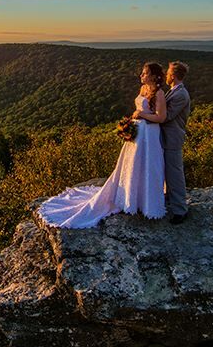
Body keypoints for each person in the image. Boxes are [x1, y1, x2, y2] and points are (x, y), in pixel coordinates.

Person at [37, 63, 167, 228]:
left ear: (154, 76)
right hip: (139, 133)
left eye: (144, 73)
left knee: (147, 166)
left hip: (149, 134)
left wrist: (141, 114)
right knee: (133, 166)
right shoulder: (143, 90)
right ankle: (131, 199)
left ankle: (145, 202)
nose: (141, 75)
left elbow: (161, 118)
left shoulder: (160, 93)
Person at [143, 60, 192, 224]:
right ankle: (169, 200)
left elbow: (166, 117)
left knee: (174, 174)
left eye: (169, 73)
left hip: (173, 138)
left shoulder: (181, 94)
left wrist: (143, 115)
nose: (166, 75)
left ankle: (180, 210)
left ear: (174, 75)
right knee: (164, 171)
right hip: (163, 137)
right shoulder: (173, 91)